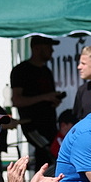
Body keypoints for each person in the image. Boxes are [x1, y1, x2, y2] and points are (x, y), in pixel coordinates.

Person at [10, 36, 63, 168]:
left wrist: (53, 100)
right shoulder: (21, 70)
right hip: (33, 126)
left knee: (53, 157)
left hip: (50, 124)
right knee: (46, 155)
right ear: (37, 48)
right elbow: (16, 100)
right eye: (48, 47)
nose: (52, 50)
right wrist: (45, 97)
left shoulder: (46, 71)